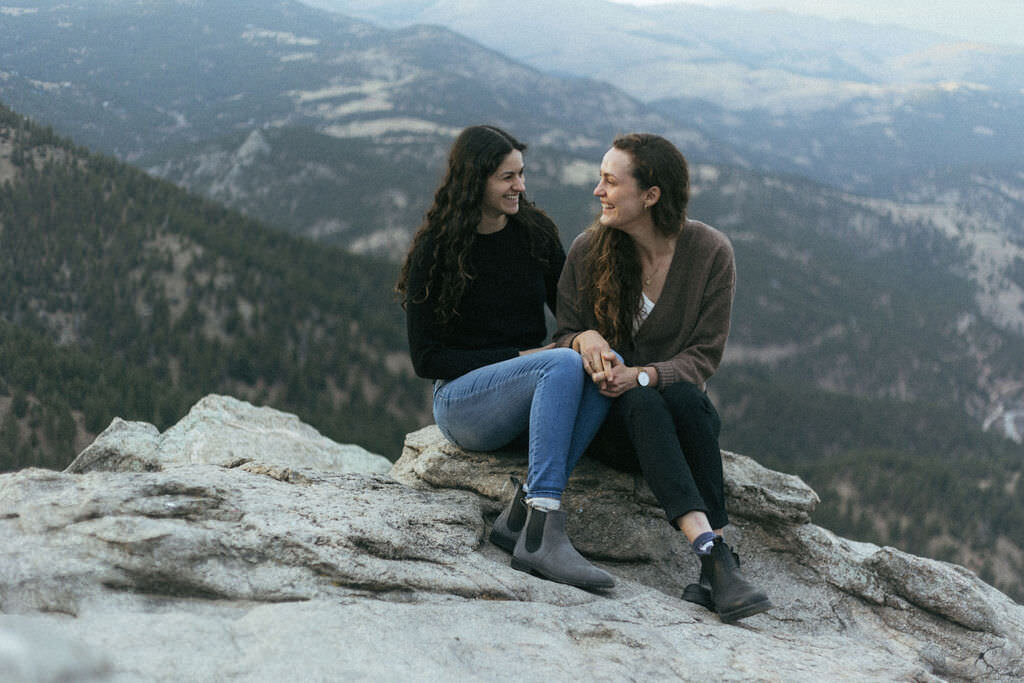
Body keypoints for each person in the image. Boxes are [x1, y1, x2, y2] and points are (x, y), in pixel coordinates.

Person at [554, 132, 771, 622]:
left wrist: (645, 375)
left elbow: (704, 356)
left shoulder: (710, 251)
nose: (597, 191)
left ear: (651, 196)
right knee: (645, 402)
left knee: (689, 401)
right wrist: (584, 340)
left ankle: (712, 572)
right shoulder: (589, 252)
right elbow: (560, 336)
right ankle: (716, 556)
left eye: (610, 181)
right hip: (604, 424)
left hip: (673, 420)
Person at [396, 125, 614, 590]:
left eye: (521, 174)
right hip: (463, 404)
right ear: (475, 181)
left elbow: (571, 315)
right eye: (506, 177)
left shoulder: (532, 233)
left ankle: (520, 517)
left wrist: (591, 337)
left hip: (531, 394)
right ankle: (544, 532)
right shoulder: (437, 251)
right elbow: (427, 358)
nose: (520, 186)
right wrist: (524, 355)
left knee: (598, 364)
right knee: (561, 362)